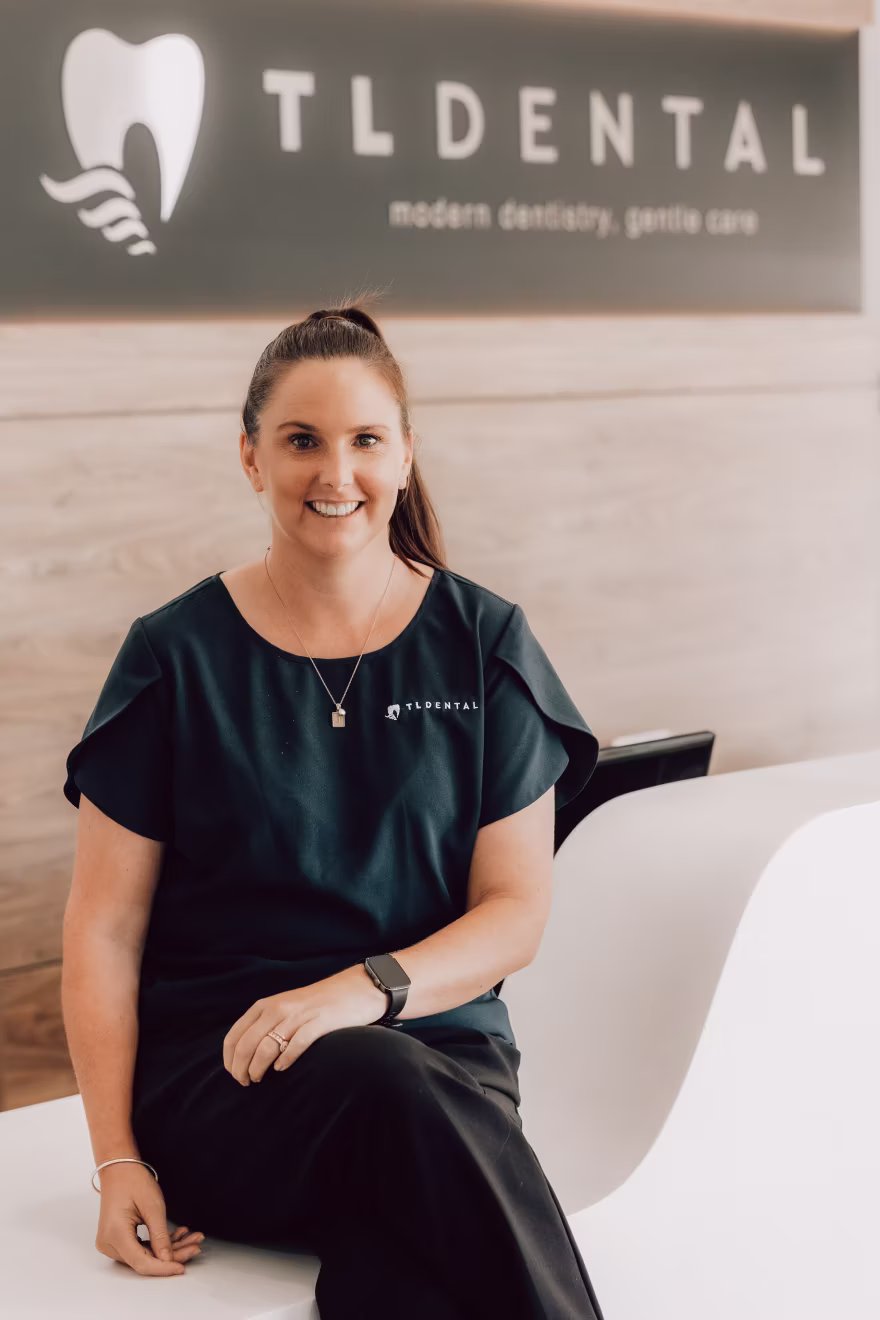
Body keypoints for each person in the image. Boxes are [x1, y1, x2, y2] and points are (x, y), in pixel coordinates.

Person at [61, 305, 605, 1319]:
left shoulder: (483, 641)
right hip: (225, 1081)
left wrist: (362, 991)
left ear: (405, 455)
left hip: (440, 1064)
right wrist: (115, 1158)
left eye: (365, 440)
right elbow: (104, 928)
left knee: (401, 1242)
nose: (336, 472)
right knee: (387, 1092)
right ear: (251, 457)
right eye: (301, 440)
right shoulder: (173, 656)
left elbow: (514, 913)